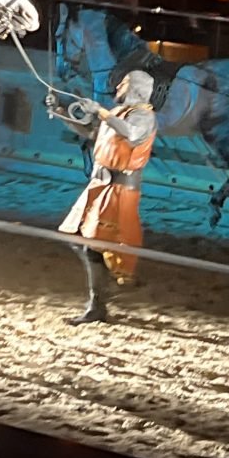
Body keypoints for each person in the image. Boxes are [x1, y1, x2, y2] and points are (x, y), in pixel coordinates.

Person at [51, 70, 156, 324]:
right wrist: (61, 113)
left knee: (93, 244)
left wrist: (100, 111)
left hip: (118, 189)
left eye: (125, 83)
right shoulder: (119, 113)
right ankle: (101, 284)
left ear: (136, 88)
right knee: (77, 238)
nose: (119, 86)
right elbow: (92, 134)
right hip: (100, 186)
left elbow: (131, 134)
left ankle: (97, 303)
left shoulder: (144, 116)